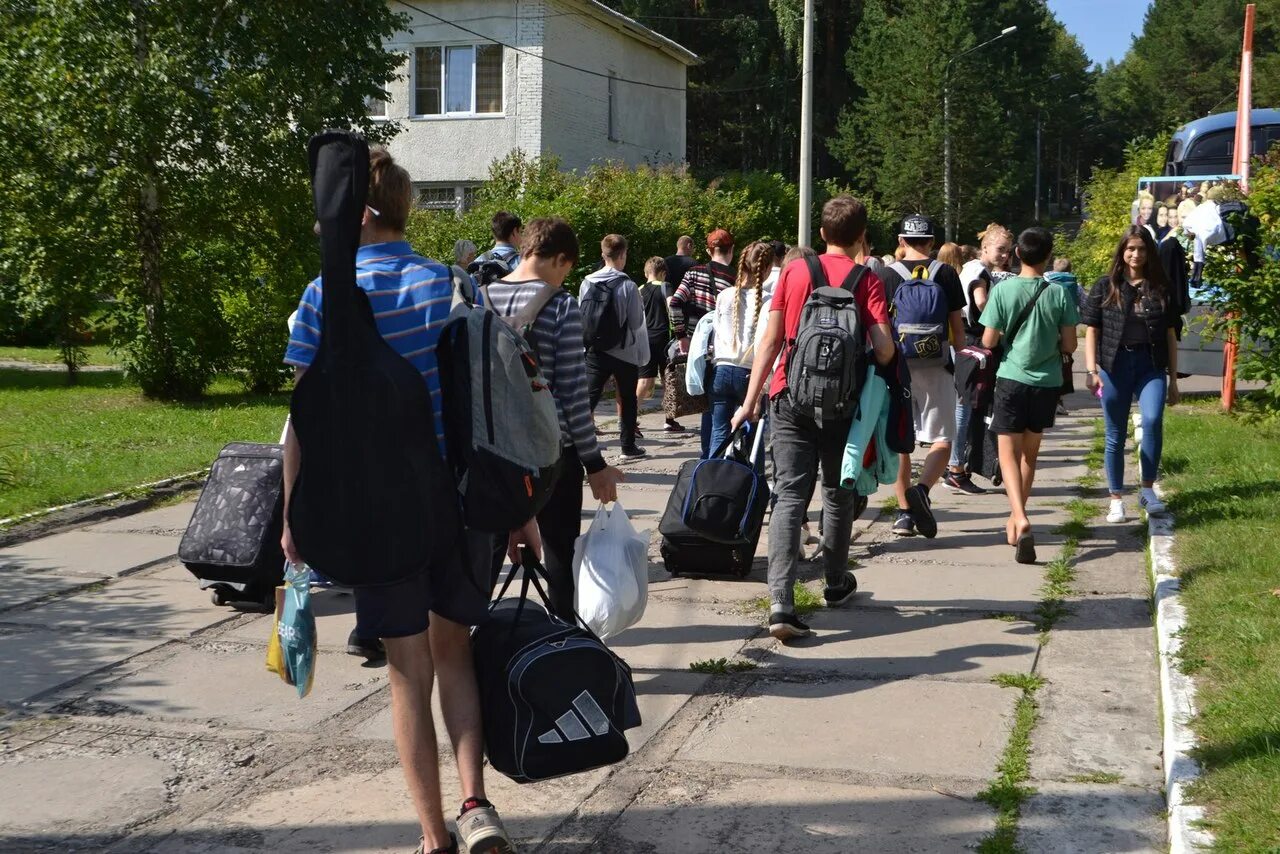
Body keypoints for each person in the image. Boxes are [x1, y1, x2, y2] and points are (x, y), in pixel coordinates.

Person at [281, 148, 517, 854]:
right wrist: (523, 513)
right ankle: (475, 806)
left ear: (355, 214)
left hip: (376, 512)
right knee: (456, 655)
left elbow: (304, 419)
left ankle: (431, 835)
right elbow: (491, 410)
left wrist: (293, 515)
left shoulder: (324, 295)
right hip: (458, 504)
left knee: (405, 674)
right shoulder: (454, 285)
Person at [730, 195, 895, 641]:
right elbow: (883, 349)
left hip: (789, 396)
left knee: (788, 496)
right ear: (862, 237)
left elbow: (770, 340)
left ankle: (781, 603)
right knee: (838, 491)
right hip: (844, 403)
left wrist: (750, 400)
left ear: (821, 234)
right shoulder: (868, 278)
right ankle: (837, 584)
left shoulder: (795, 270)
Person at [484, 219, 625, 620]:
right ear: (560, 259)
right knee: (559, 557)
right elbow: (573, 398)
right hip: (550, 455)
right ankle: (563, 643)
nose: (564, 280)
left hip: (491, 454)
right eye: (566, 270)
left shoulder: (482, 299)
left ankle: (471, 654)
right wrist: (595, 464)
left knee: (487, 559)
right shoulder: (562, 306)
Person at [979, 227, 1079, 564]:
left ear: (1017, 254)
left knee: (1007, 454)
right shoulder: (1059, 294)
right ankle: (1015, 519)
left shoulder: (1003, 290)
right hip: (1047, 383)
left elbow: (989, 342)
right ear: (1048, 256)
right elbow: (1069, 345)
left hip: (1011, 379)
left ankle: (1019, 517)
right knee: (1030, 455)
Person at [1082, 226, 1181, 524]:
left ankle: (1147, 490)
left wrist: (1173, 380)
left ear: (1149, 252)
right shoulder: (1106, 285)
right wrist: (1091, 371)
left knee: (1152, 421)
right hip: (1114, 366)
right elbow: (1091, 331)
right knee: (1115, 434)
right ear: (1122, 252)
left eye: (1141, 249)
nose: (1136, 254)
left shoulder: (1161, 287)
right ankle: (1115, 499)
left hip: (1150, 366)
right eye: (1130, 249)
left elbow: (1170, 335)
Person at [879, 214, 967, 537]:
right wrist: (962, 362)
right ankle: (923, 491)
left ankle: (903, 515)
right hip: (937, 364)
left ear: (901, 241)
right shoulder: (946, 273)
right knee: (943, 437)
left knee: (902, 441)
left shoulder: (888, 275)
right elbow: (957, 327)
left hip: (899, 367)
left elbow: (880, 325)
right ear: (932, 243)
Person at [947, 223, 1013, 494]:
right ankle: (955, 468)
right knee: (965, 406)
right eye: (999, 250)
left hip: (969, 341)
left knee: (967, 405)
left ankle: (957, 465)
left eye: (1008, 252)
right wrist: (1001, 322)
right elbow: (982, 301)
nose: (1004, 256)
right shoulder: (978, 271)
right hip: (975, 343)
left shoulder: (974, 268)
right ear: (984, 247)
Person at [578, 234, 649, 461]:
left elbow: (582, 315)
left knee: (589, 396)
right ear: (623, 255)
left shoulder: (587, 282)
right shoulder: (628, 285)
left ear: (603, 254)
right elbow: (637, 322)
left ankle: (574, 445)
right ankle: (628, 448)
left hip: (595, 351)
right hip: (624, 351)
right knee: (628, 398)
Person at [670, 229, 736, 457]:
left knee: (707, 405)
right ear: (732, 250)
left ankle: (707, 454)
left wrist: (682, 336)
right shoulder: (735, 279)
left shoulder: (693, 273)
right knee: (720, 407)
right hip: (724, 349)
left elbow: (675, 302)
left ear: (709, 250)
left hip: (698, 347)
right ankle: (716, 457)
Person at [708, 241, 770, 453]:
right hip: (749, 373)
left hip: (721, 369)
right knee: (754, 437)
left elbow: (716, 330)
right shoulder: (768, 301)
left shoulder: (725, 295)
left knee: (719, 431)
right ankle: (756, 483)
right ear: (768, 269)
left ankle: (713, 480)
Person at [1045, 257, 1083, 416]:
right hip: (1067, 327)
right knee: (1064, 363)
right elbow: (1083, 304)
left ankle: (1047, 398)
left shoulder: (1046, 278)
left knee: (1048, 361)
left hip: (1049, 327)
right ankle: (1059, 400)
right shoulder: (1076, 285)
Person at [637, 256, 672, 413]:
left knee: (644, 380)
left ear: (646, 273)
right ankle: (669, 420)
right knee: (668, 381)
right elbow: (672, 306)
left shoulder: (638, 290)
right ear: (663, 273)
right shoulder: (666, 286)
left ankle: (629, 419)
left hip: (645, 339)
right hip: (664, 338)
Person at [470, 211, 523, 285]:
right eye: (520, 232)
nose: (522, 236)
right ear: (514, 232)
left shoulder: (478, 262)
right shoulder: (522, 262)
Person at [663, 235, 697, 303]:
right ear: (689, 245)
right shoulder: (693, 263)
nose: (693, 251)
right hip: (686, 304)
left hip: (667, 302)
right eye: (693, 248)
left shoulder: (665, 261)